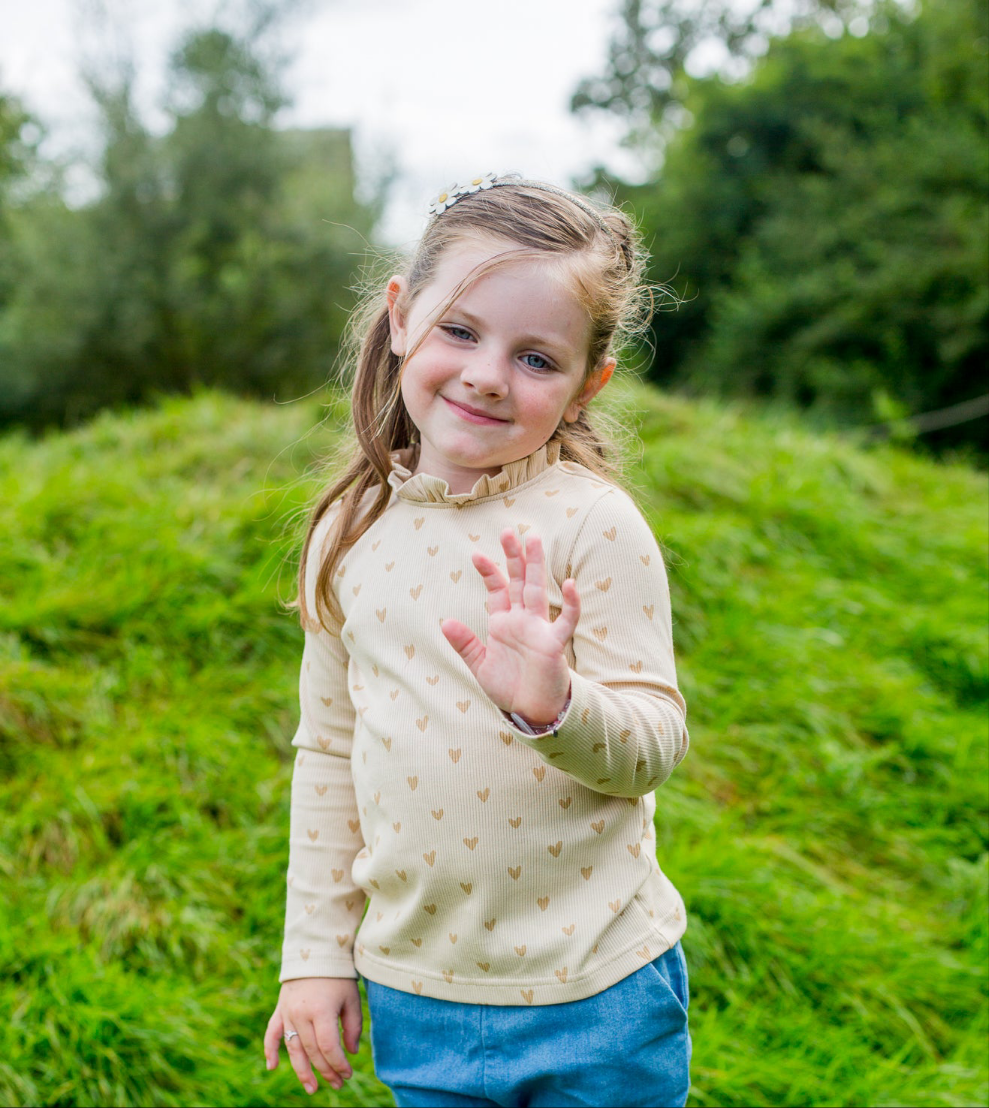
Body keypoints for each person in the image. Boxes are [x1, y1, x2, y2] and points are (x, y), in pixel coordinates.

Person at [262, 173, 692, 1108]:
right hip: (418, 996)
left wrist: (558, 706)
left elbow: (654, 744)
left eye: (537, 358)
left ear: (589, 384)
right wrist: (314, 957)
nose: (488, 373)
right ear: (400, 317)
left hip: (599, 993)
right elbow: (327, 752)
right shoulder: (349, 534)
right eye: (460, 330)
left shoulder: (594, 526)